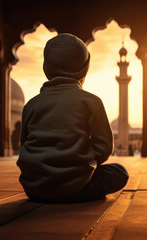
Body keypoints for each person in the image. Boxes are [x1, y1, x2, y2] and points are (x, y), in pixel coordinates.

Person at [17, 33, 129, 203]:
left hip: (35, 189)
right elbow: (104, 147)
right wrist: (81, 160)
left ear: (46, 68)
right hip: (77, 186)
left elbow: (24, 142)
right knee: (119, 172)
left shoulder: (31, 105)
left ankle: (53, 189)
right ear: (84, 69)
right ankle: (75, 192)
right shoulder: (91, 102)